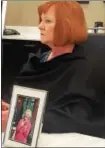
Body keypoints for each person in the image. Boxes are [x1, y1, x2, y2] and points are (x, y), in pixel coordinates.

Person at [2, 1, 105, 138]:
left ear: (67, 26)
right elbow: (21, 91)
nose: (40, 26)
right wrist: (8, 105)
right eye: (41, 20)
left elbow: (77, 117)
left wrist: (19, 117)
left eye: (48, 21)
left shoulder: (83, 67)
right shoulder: (39, 58)